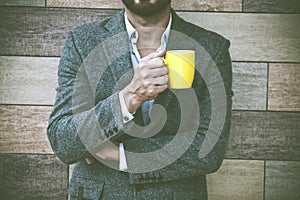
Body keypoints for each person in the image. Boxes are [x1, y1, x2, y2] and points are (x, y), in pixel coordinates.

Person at [47, 0, 233, 199]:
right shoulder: (82, 41)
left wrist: (121, 156)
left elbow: (209, 151)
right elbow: (63, 141)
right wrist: (130, 97)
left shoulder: (212, 48)